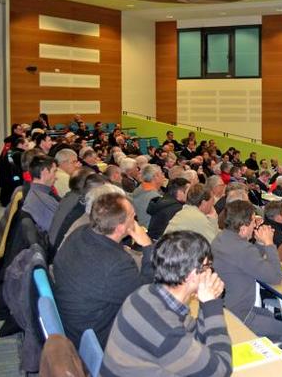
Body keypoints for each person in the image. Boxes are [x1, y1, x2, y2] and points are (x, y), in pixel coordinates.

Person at [101, 231, 232, 376]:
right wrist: (212, 304)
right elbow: (222, 369)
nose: (211, 273)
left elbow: (196, 337)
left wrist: (205, 302)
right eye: (207, 266)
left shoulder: (146, 294)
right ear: (192, 275)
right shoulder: (167, 332)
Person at [53, 192, 154, 348]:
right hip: (93, 338)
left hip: (72, 321)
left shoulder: (80, 233)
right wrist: (147, 246)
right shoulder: (116, 265)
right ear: (120, 227)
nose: (135, 222)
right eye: (132, 217)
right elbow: (147, 296)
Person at [211, 200, 282, 348]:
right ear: (243, 229)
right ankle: (266, 363)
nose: (255, 225)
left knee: (268, 315)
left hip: (223, 307)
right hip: (238, 313)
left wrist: (260, 244)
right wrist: (269, 244)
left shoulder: (221, 238)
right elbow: (275, 277)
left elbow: (248, 261)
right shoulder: (243, 249)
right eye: (252, 222)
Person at [21, 154, 60, 233]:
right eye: (54, 171)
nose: (56, 177)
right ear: (45, 172)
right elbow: (58, 231)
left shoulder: (38, 192)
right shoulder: (41, 200)